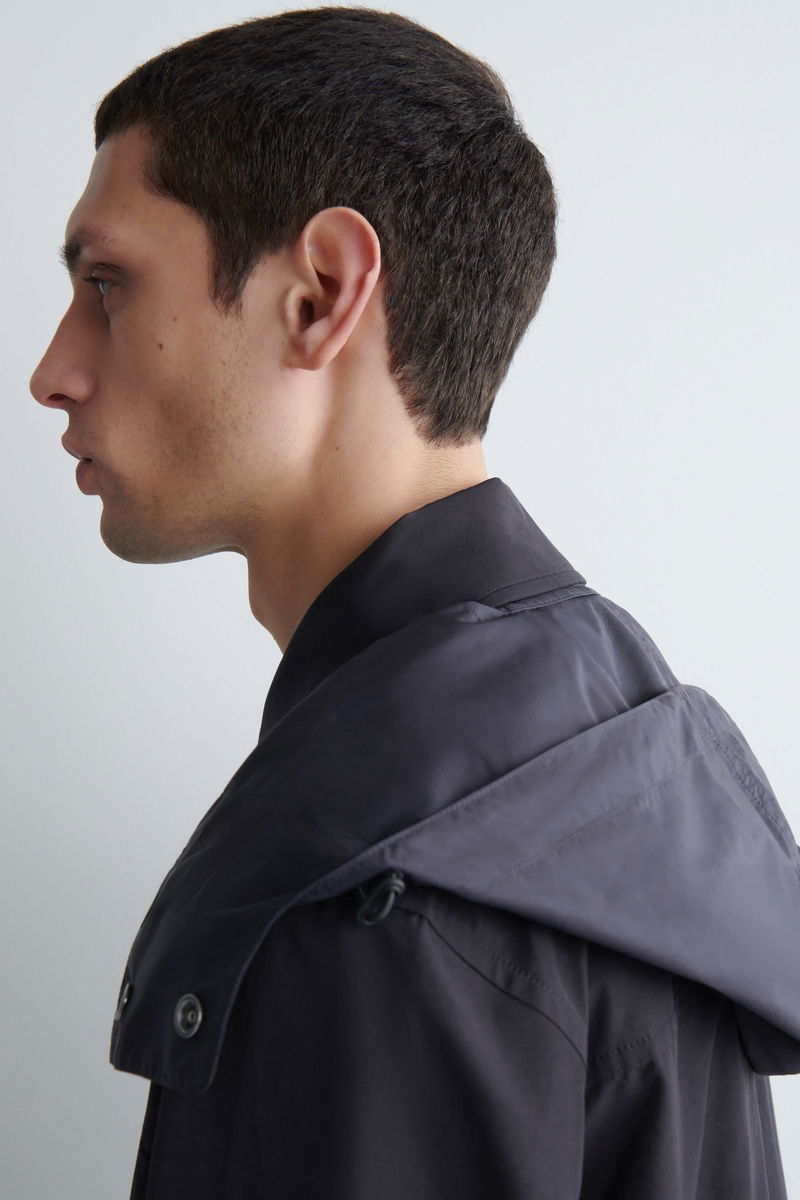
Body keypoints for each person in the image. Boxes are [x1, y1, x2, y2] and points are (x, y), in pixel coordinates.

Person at [29, 8, 800, 1198]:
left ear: (320, 293)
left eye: (106, 284)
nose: (54, 370)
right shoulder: (606, 734)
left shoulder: (368, 880)